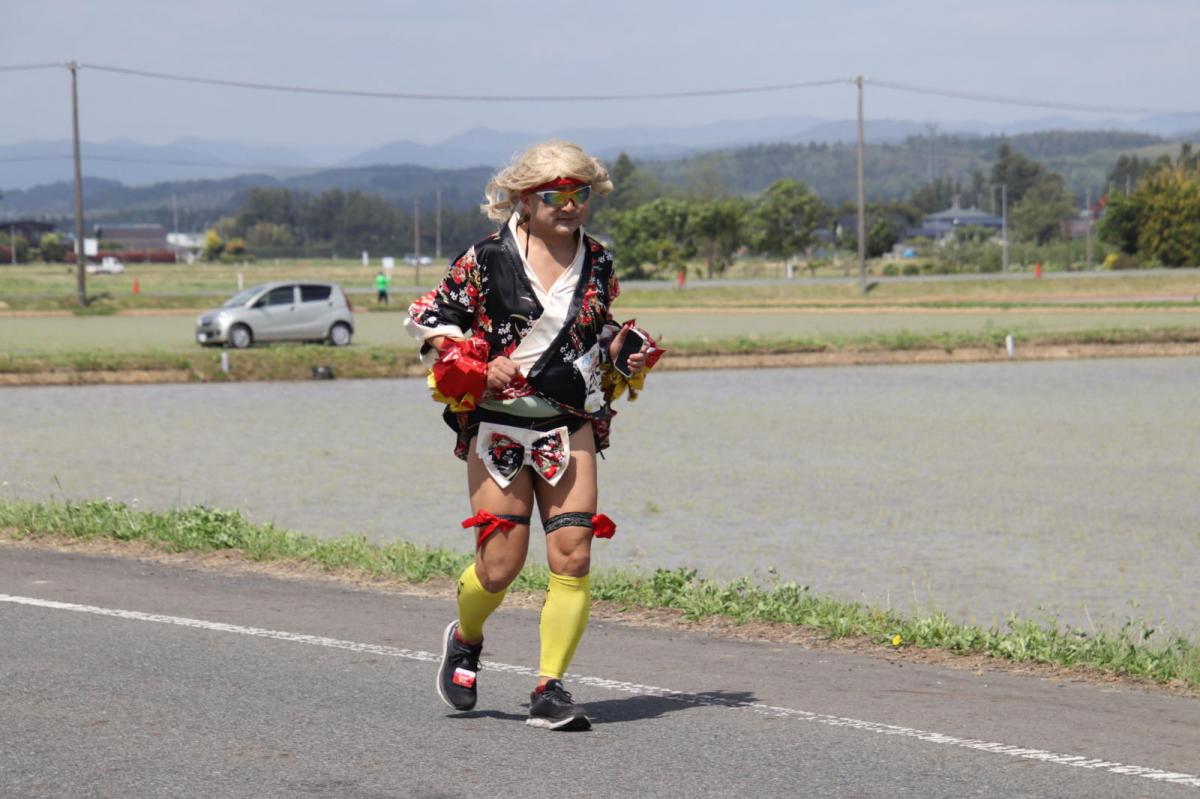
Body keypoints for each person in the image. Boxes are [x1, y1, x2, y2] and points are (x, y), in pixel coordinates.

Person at [404, 140, 660, 731]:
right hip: (498, 424)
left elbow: (596, 331)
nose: (569, 206)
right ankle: (466, 639)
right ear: (525, 197)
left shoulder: (599, 262)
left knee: (573, 555)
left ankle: (550, 687)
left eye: (580, 194)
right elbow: (437, 322)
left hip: (569, 423)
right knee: (499, 565)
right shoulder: (486, 257)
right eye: (556, 195)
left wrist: (625, 348)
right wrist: (477, 361)